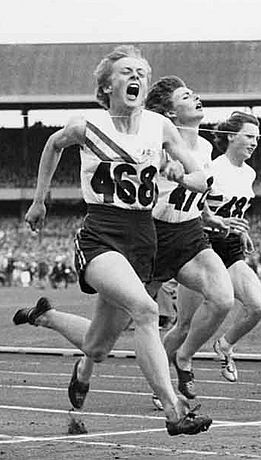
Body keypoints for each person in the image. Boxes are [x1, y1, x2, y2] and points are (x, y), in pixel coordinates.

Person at [14, 46, 213, 436]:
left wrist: (179, 174)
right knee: (145, 309)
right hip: (102, 234)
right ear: (107, 86)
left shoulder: (160, 127)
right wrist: (40, 200)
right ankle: (174, 412)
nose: (135, 76)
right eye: (125, 71)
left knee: (98, 347)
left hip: (143, 238)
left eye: (141, 70)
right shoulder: (88, 125)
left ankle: (45, 316)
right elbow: (53, 145)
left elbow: (201, 179)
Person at [161, 111, 261, 395]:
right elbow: (194, 206)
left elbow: (236, 210)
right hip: (202, 248)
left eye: (257, 137)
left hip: (230, 249)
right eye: (249, 136)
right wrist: (212, 221)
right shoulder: (212, 167)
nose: (255, 143)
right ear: (231, 137)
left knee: (258, 306)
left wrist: (242, 231)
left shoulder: (250, 173)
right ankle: (161, 383)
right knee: (183, 325)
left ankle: (225, 344)